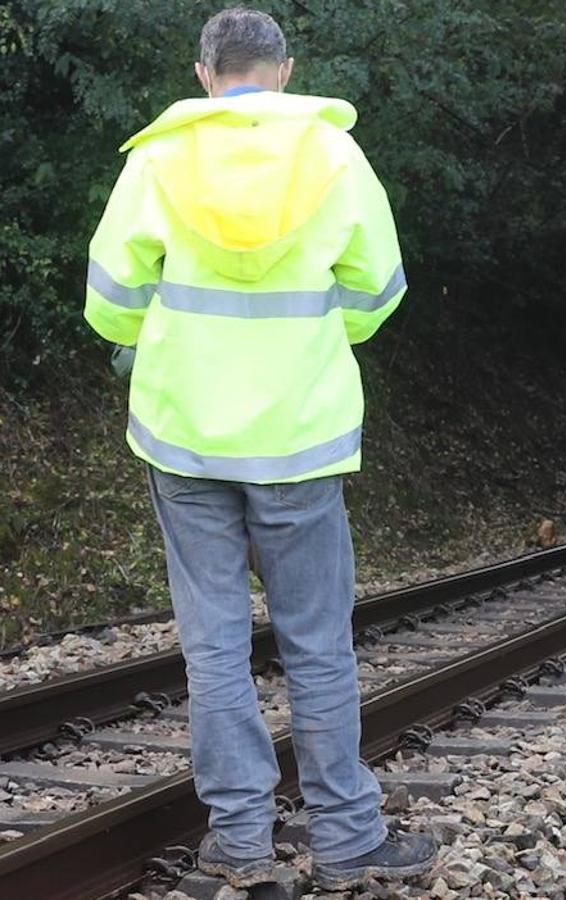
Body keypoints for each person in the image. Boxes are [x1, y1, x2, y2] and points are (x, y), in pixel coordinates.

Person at [83, 8, 434, 891]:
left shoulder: (158, 159)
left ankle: (239, 844)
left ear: (205, 74)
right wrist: (314, 340)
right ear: (283, 71)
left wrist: (152, 335)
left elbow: (111, 299)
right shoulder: (335, 156)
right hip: (301, 439)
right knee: (318, 646)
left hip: (186, 439)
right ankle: (349, 841)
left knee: (213, 648)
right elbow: (379, 291)